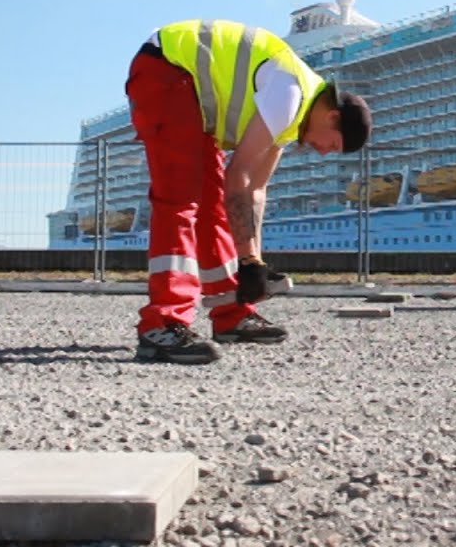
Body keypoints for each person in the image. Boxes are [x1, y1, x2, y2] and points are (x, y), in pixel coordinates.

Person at [125, 19, 372, 364]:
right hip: (167, 67)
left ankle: (231, 313)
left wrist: (254, 262)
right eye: (332, 144)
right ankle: (162, 323)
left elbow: (255, 191)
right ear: (331, 117)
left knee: (212, 206)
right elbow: (238, 176)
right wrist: (249, 260)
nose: (323, 152)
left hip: (188, 87)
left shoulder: (293, 120)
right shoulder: (290, 95)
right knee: (180, 197)